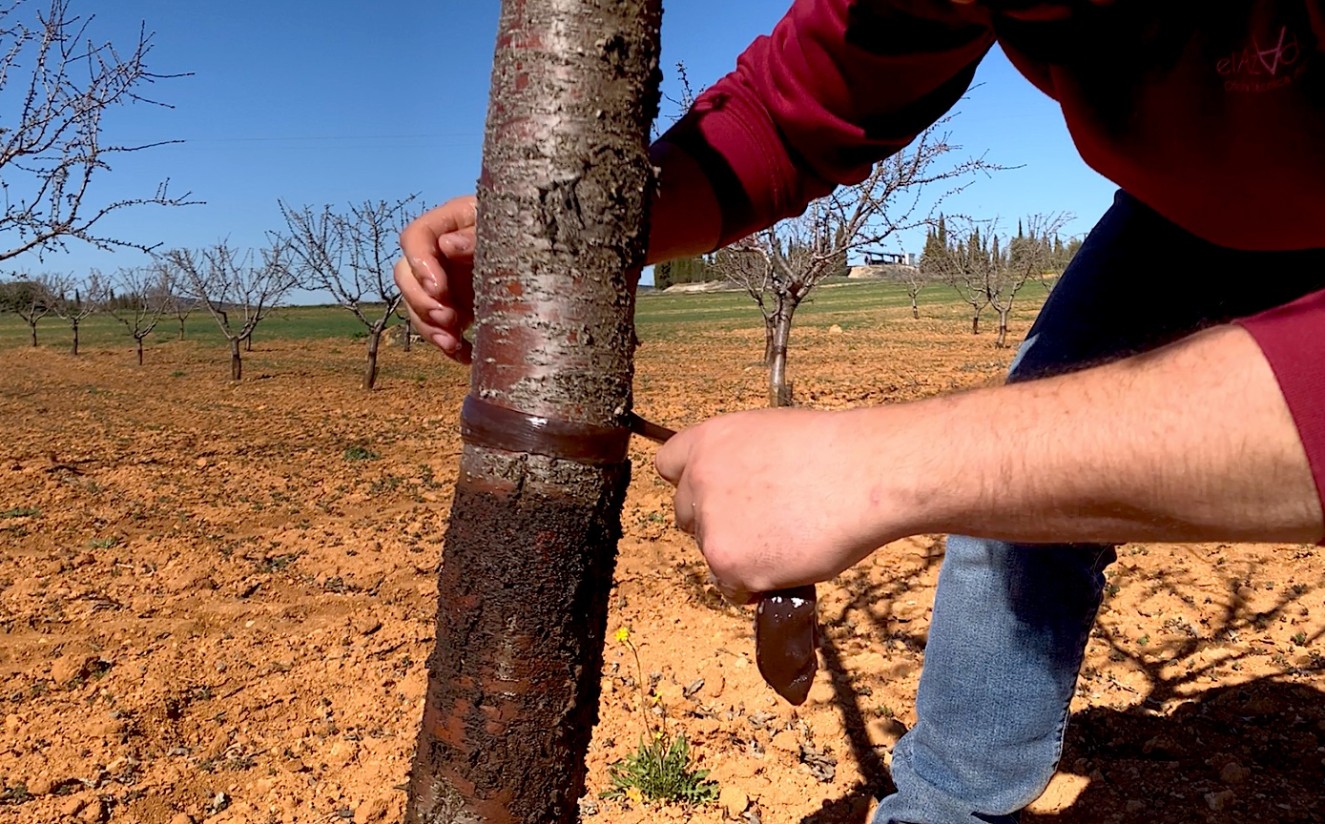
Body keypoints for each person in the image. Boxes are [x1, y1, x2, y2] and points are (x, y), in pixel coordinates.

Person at [396, 2, 1325, 821]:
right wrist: (557, 231)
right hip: (1194, 216)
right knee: (1019, 490)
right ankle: (947, 807)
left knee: (1006, 461)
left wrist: (880, 466)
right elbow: (788, 112)